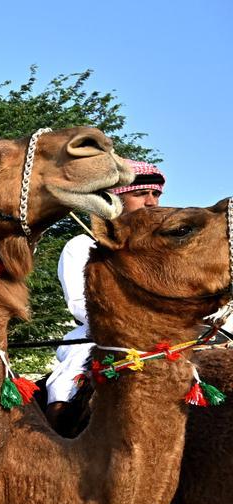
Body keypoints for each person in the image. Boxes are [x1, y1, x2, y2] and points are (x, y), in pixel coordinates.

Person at [45, 160, 166, 422]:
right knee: (65, 384)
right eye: (140, 194)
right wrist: (127, 323)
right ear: (116, 198)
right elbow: (78, 302)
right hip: (97, 334)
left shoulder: (164, 248)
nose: (151, 202)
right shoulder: (82, 245)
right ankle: (57, 437)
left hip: (164, 334)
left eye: (155, 194)